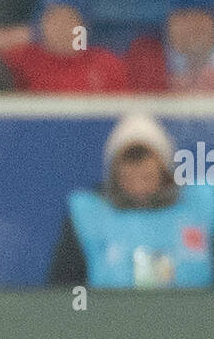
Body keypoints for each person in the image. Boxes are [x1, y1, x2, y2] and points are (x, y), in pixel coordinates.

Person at [48, 112, 214, 287]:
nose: (139, 188)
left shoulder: (202, 206)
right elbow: (64, 291)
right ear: (115, 178)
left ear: (164, 173)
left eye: (147, 177)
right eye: (129, 179)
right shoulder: (88, 217)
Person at [0, 0, 131, 93]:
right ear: (40, 22)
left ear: (83, 25)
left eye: (69, 19)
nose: (61, 27)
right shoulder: (19, 61)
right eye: (53, 18)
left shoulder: (107, 66)